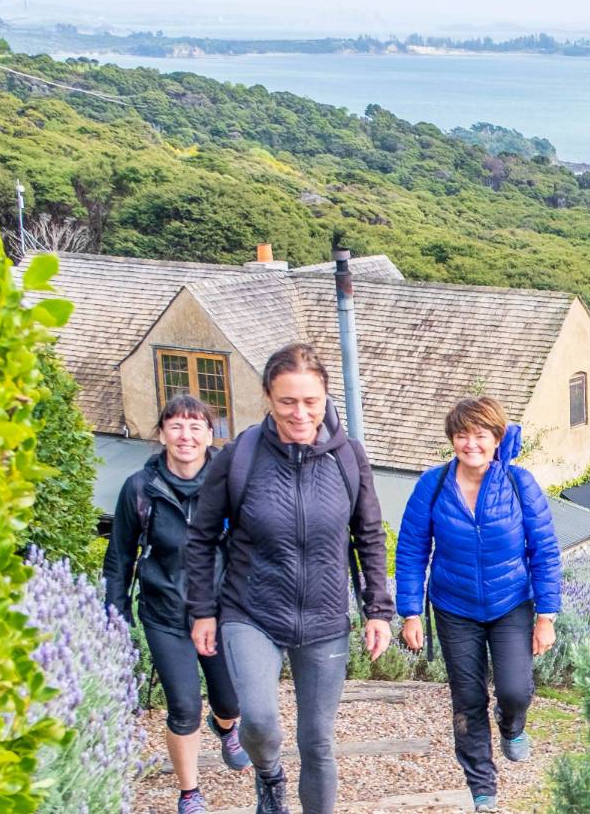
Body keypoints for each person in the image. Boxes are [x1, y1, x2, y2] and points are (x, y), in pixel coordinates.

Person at [185, 344, 395, 814]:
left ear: (325, 398)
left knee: (317, 742)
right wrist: (202, 610)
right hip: (251, 611)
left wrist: (378, 610)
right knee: (259, 723)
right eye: (287, 402)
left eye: (310, 401)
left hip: (323, 619)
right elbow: (200, 538)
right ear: (267, 397)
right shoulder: (239, 457)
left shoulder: (349, 457)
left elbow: (368, 535)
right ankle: (269, 775)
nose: (300, 413)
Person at [396, 396, 562, 814]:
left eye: (480, 435)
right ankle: (482, 785)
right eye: (462, 435)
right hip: (454, 608)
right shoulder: (432, 486)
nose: (471, 443)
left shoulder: (519, 484)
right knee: (467, 700)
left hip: (511, 604)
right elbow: (412, 549)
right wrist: (410, 612)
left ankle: (512, 725)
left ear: (496, 439)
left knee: (515, 690)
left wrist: (546, 616)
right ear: (452, 439)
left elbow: (545, 551)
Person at [103, 394, 250, 814]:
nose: (185, 436)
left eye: (195, 427)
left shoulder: (227, 486)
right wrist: (114, 616)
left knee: (232, 702)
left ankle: (225, 726)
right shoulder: (140, 489)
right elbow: (119, 558)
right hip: (164, 613)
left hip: (221, 613)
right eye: (176, 426)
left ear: (209, 435)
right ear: (163, 433)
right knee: (183, 707)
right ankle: (190, 792)